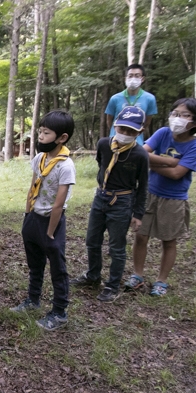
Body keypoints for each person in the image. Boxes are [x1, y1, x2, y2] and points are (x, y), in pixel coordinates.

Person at [70, 106, 149, 302]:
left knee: (116, 246)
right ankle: (93, 275)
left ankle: (113, 285)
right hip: (101, 197)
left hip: (122, 201)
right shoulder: (104, 144)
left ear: (139, 132)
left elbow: (143, 186)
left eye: (131, 132)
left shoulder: (140, 155)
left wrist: (138, 214)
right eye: (122, 129)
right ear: (115, 126)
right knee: (92, 240)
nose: (125, 134)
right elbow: (101, 164)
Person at [10, 110, 76, 332]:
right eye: (40, 131)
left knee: (57, 267)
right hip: (33, 218)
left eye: (46, 133)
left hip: (51, 222)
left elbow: (59, 203)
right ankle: (33, 299)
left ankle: (59, 311)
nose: (40, 136)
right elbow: (33, 186)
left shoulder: (65, 166)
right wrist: (28, 214)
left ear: (62, 138)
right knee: (35, 264)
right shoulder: (39, 158)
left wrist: (50, 230)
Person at [127, 98, 196, 296]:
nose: (177, 118)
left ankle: (161, 281)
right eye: (174, 113)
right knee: (140, 236)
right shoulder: (163, 133)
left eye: (184, 115)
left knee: (169, 240)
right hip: (149, 193)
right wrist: (172, 162)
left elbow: (177, 175)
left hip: (174, 199)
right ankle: (137, 275)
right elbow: (141, 153)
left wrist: (153, 163)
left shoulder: (194, 145)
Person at [105, 63, 158, 146]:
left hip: (136, 142)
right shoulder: (115, 98)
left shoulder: (150, 98)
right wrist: (118, 131)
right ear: (125, 78)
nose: (133, 78)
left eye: (137, 76)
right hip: (115, 140)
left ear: (142, 78)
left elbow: (147, 122)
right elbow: (109, 120)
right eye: (130, 76)